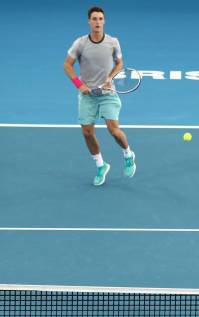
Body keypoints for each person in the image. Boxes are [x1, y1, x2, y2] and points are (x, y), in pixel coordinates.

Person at [63, 6, 136, 186]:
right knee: (87, 132)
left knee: (113, 130)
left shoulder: (113, 42)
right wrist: (80, 86)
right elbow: (67, 65)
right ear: (89, 21)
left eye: (100, 19)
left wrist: (110, 77)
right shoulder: (80, 43)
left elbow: (120, 63)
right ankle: (100, 165)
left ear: (104, 21)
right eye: (94, 19)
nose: (97, 22)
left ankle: (128, 154)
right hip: (87, 94)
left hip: (107, 93)